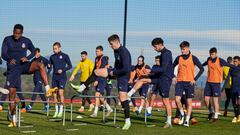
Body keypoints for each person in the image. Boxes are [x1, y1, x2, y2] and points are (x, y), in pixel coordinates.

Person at [1, 24, 56, 127]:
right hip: (13, 68)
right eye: (15, 33)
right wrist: (9, 59)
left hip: (23, 65)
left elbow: (34, 51)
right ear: (13, 31)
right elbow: (3, 54)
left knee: (40, 65)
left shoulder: (26, 40)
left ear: (22, 33)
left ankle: (48, 89)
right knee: (11, 95)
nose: (16, 35)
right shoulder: (7, 39)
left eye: (19, 34)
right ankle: (13, 119)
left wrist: (28, 58)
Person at [128, 38, 174, 128]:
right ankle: (129, 94)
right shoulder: (162, 54)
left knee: (165, 101)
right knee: (142, 79)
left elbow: (164, 69)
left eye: (155, 46)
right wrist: (151, 73)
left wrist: (151, 70)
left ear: (160, 44)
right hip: (159, 77)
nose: (154, 49)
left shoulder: (166, 54)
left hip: (165, 79)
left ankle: (169, 122)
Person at [172, 41, 204, 127]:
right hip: (180, 82)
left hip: (189, 83)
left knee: (189, 102)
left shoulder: (193, 58)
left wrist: (195, 79)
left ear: (188, 48)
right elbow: (171, 66)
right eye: (181, 49)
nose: (182, 51)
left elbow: (201, 69)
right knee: (177, 99)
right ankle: (182, 114)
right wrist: (173, 76)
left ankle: (186, 121)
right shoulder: (178, 58)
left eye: (183, 49)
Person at [202, 47, 233, 122]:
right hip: (208, 82)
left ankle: (216, 117)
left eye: (212, 54)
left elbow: (229, 65)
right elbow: (204, 64)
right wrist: (199, 65)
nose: (211, 56)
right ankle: (211, 112)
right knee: (206, 99)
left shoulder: (220, 60)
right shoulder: (208, 59)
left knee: (215, 101)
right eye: (210, 54)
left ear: (216, 53)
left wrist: (236, 68)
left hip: (216, 83)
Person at [49, 42, 72, 118]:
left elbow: (70, 66)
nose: (54, 50)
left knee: (60, 93)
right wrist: (49, 66)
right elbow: (50, 66)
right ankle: (56, 110)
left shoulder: (65, 56)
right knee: (54, 94)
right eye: (53, 49)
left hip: (62, 77)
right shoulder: (52, 57)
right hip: (54, 77)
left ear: (59, 48)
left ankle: (61, 110)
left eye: (55, 49)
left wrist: (63, 70)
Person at [89, 45, 113, 117]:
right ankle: (109, 108)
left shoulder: (104, 58)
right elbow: (94, 70)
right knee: (100, 96)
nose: (96, 52)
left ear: (101, 51)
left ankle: (95, 112)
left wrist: (96, 80)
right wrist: (90, 80)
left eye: (98, 51)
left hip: (102, 79)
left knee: (97, 94)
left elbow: (102, 70)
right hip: (98, 78)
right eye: (96, 51)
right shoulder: (96, 58)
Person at [224, 56, 240, 123]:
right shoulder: (231, 69)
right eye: (234, 61)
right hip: (233, 88)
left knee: (239, 103)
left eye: (236, 61)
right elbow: (227, 78)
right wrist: (222, 88)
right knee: (234, 103)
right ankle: (238, 115)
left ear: (239, 61)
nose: (234, 62)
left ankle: (235, 116)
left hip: (239, 89)